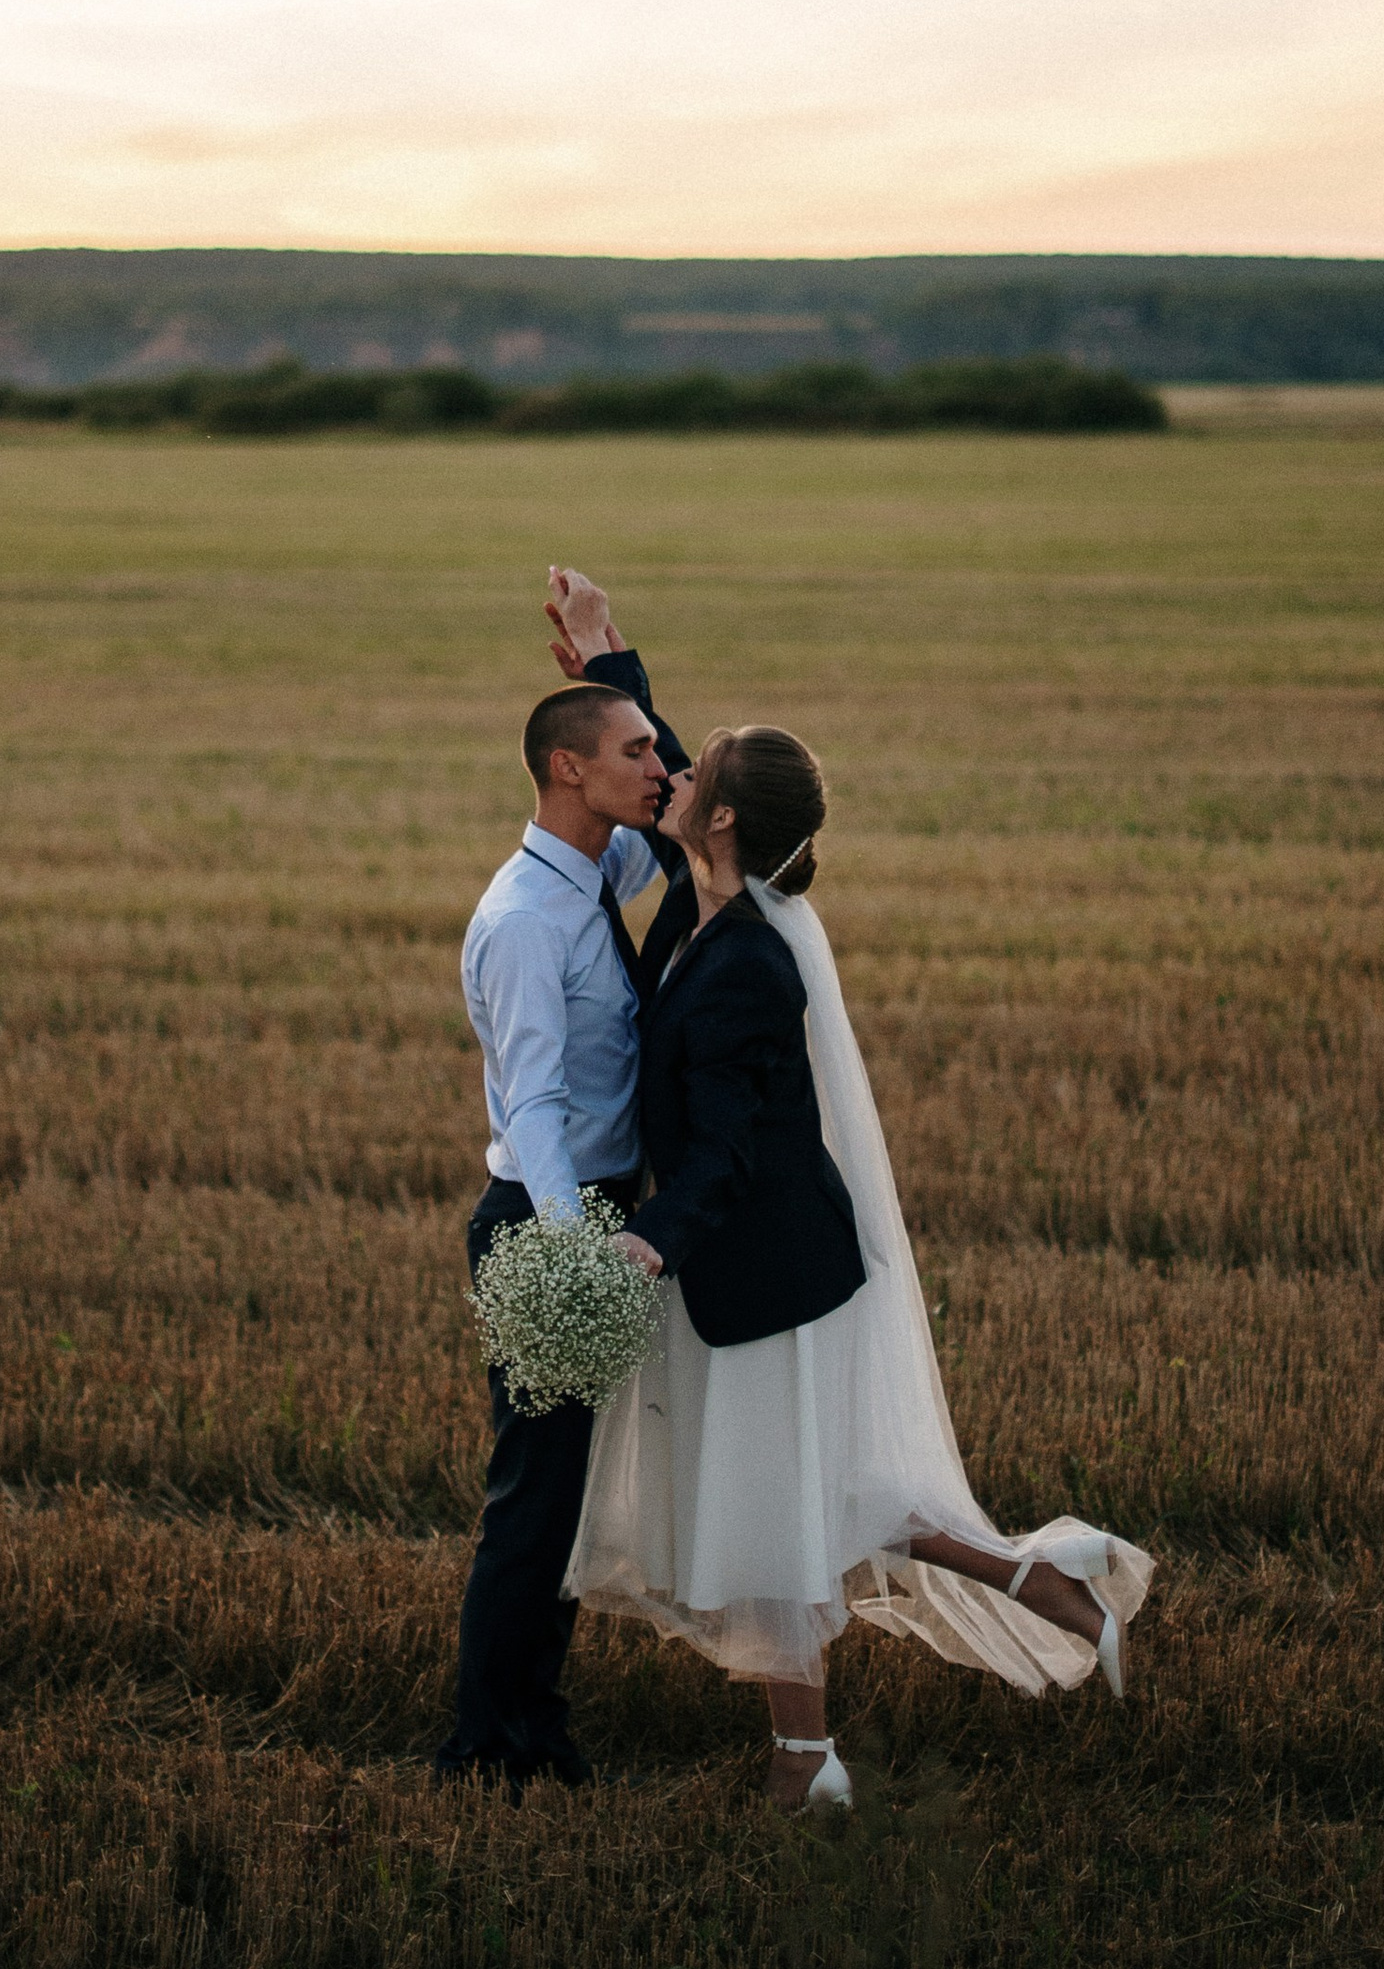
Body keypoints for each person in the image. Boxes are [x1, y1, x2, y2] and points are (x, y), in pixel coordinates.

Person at [569, 722, 1154, 1808]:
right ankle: (1045, 1584)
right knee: (820, 1492)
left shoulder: (748, 957)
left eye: (689, 768)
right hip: (759, 1266)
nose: (667, 772)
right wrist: (610, 657)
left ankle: (806, 1761)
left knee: (775, 1505)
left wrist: (652, 1240)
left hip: (768, 1275)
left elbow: (727, 1154)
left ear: (728, 818)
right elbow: (679, 792)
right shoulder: (707, 901)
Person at [435, 566, 687, 1792]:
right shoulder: (530, 917)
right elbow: (531, 1102)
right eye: (633, 747)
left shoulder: (600, 874)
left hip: (588, 1214)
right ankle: (494, 1740)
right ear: (567, 773)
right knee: (535, 1499)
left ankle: (528, 1718)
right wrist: (570, 1243)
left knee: (562, 1495)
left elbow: (692, 822)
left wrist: (612, 663)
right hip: (548, 1219)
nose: (657, 765)